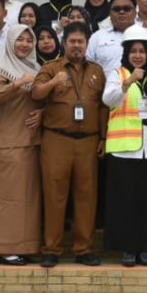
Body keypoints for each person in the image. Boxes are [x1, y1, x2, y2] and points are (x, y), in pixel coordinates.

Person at [31, 22, 108, 267]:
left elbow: (104, 106)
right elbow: (36, 93)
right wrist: (54, 82)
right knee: (55, 196)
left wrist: (104, 138)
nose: (76, 46)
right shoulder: (51, 68)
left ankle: (83, 248)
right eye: (72, 41)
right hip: (57, 140)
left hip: (88, 141)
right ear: (64, 43)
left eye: (81, 42)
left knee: (86, 197)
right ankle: (52, 249)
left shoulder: (97, 71)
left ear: (87, 44)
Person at [101, 26, 147, 267]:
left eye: (142, 51)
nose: (138, 55)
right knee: (125, 201)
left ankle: (146, 249)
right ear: (126, 54)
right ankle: (128, 249)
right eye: (133, 51)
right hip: (123, 148)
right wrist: (128, 82)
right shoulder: (116, 74)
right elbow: (108, 100)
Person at [0, 25, 43, 265]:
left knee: (28, 198)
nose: (25, 44)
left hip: (31, 142)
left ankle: (25, 245)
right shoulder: (2, 68)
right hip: (9, 142)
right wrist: (16, 84)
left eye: (30, 40)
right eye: (20, 40)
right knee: (8, 198)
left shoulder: (36, 68)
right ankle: (4, 247)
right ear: (10, 42)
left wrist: (43, 112)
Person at [86, 0, 139, 71]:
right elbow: (86, 66)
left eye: (126, 9)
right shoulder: (97, 37)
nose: (121, 12)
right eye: (116, 9)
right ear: (110, 14)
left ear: (135, 13)